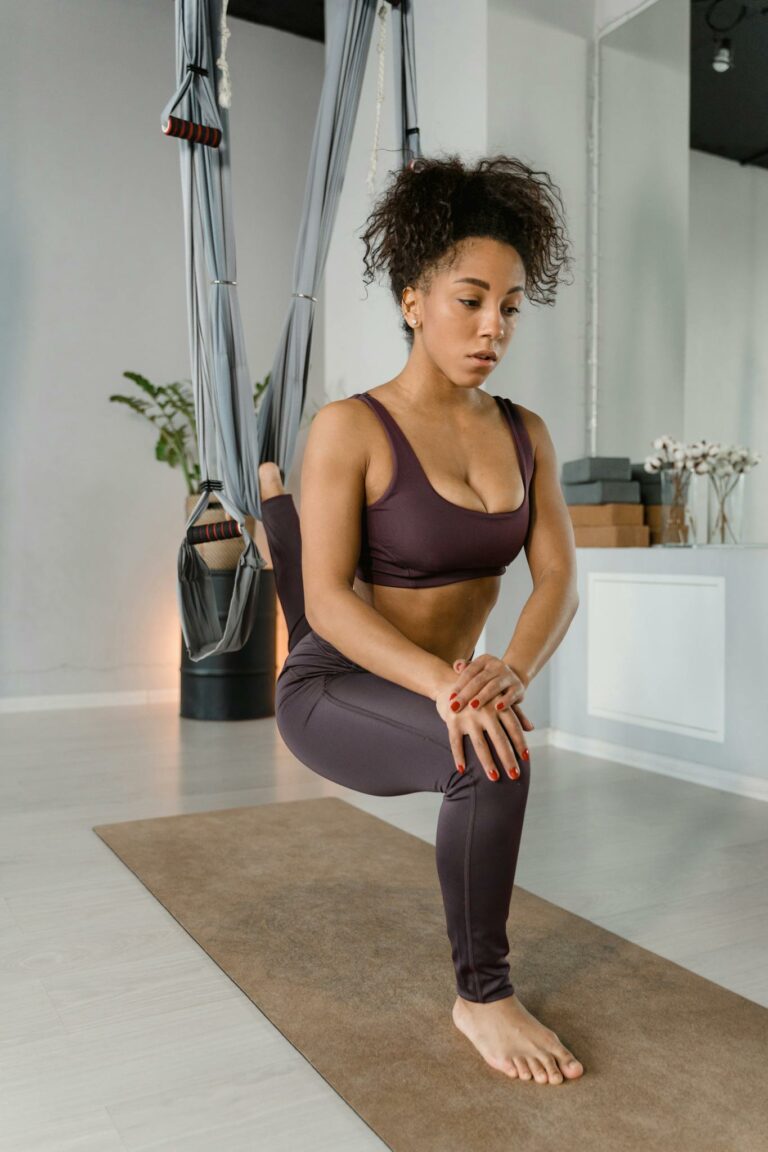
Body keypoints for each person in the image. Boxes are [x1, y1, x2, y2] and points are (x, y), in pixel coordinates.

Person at [258, 153, 583, 1086]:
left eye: (511, 307)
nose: (493, 328)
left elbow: (557, 574)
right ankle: (483, 997)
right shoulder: (351, 426)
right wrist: (450, 684)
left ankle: (281, 510)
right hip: (334, 685)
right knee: (486, 753)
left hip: (433, 672)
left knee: (494, 721)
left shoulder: (526, 433)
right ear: (413, 300)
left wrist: (511, 667)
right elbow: (328, 604)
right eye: (470, 300)